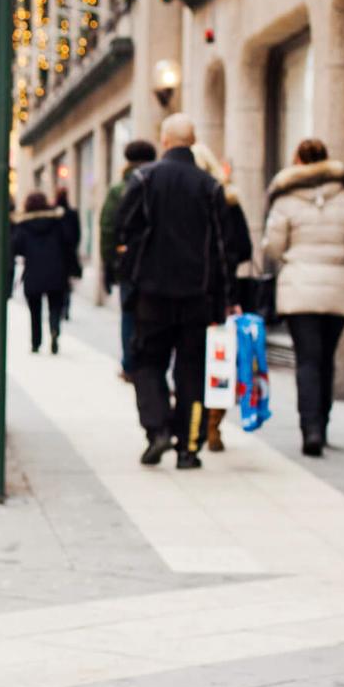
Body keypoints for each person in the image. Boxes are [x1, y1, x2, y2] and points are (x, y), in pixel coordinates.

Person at [117, 114, 232, 470]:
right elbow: (221, 249)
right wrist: (222, 299)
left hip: (152, 294)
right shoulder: (210, 187)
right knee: (191, 370)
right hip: (197, 296)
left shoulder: (143, 179)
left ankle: (157, 430)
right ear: (192, 141)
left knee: (147, 361)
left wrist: (129, 279)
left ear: (164, 140)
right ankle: (189, 447)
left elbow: (125, 230)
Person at [263, 138, 344, 456]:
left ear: (298, 160)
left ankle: (309, 428)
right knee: (326, 358)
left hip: (299, 287)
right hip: (338, 285)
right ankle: (322, 425)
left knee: (307, 360)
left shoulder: (285, 196)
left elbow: (273, 246)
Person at [192, 143, 252, 452]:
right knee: (220, 359)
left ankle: (197, 424)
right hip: (221, 292)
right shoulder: (228, 198)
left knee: (194, 360)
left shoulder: (188, 199)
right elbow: (244, 248)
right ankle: (213, 425)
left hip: (194, 292)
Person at [99, 139, 158, 381]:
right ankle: (151, 366)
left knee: (129, 316)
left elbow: (107, 228)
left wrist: (110, 262)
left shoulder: (119, 189)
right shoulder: (158, 183)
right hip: (156, 265)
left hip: (128, 264)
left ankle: (130, 366)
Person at [12, 192, 76, 353]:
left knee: (35, 310)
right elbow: (68, 241)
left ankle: (36, 342)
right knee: (55, 306)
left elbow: (16, 246)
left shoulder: (24, 224)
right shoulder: (56, 221)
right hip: (56, 271)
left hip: (33, 272)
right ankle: (54, 329)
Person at [53, 186, 83, 323]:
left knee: (59, 284)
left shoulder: (53, 214)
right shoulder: (72, 213)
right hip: (68, 254)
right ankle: (65, 309)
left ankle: (60, 309)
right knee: (66, 284)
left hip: (57, 254)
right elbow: (77, 235)